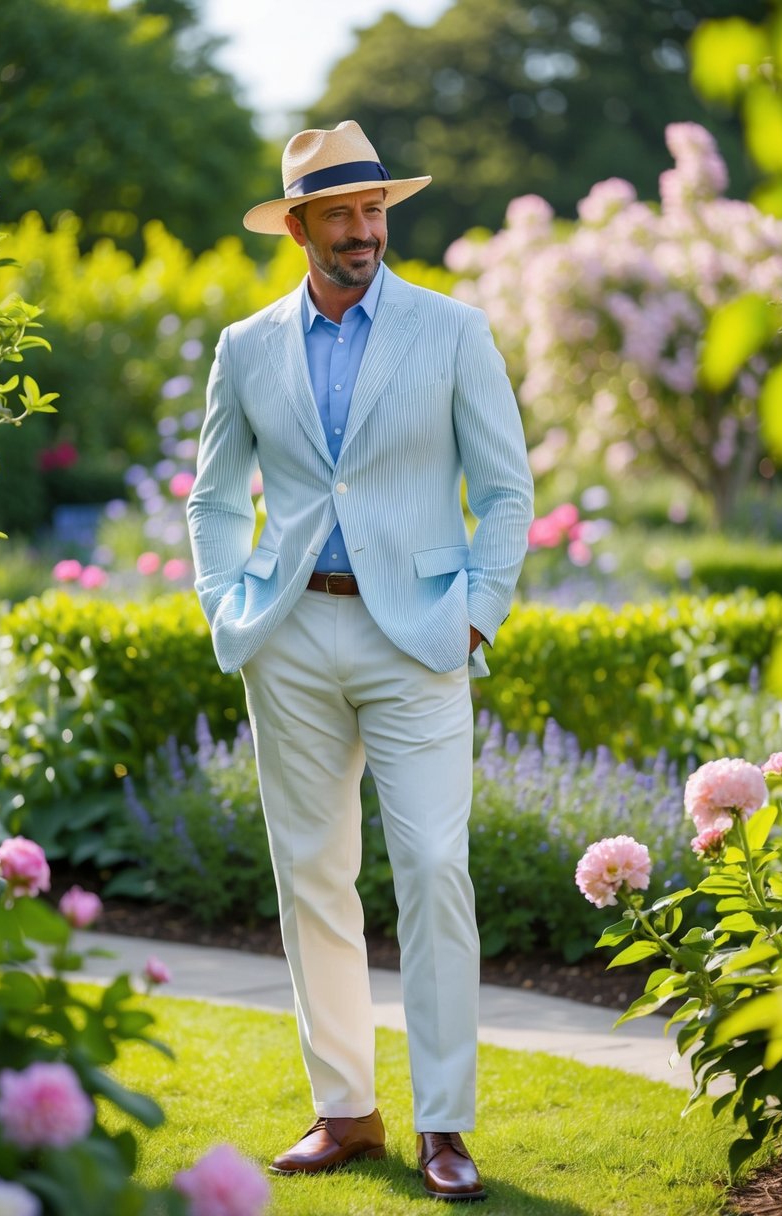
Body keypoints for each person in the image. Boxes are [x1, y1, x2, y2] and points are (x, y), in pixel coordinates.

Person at [187, 120, 533, 1202]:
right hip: (289, 635)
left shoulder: (453, 331)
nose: (362, 231)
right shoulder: (246, 346)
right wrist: (227, 605)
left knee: (432, 867)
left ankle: (444, 1124)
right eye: (339, 214)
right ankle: (344, 1111)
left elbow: (507, 490)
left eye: (373, 209)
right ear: (298, 227)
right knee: (311, 875)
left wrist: (475, 617)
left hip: (419, 636)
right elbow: (212, 496)